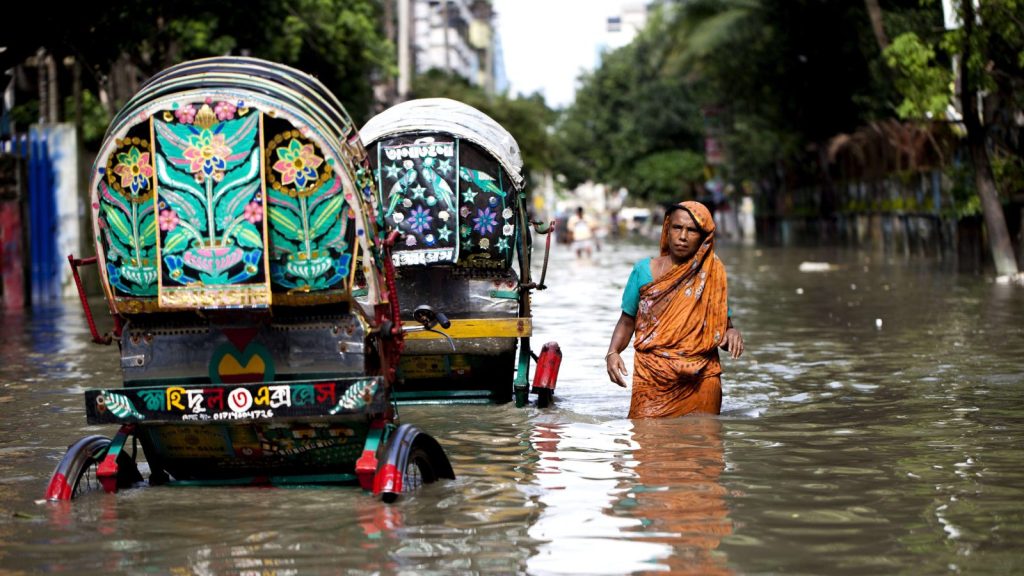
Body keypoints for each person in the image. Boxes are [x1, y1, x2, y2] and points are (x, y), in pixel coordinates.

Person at [605, 200, 744, 418]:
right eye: (677, 228)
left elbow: (722, 326)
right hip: (652, 376)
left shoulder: (712, 273)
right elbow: (627, 320)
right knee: (648, 444)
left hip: (701, 377)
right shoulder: (643, 270)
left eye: (692, 230)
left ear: (704, 237)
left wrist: (732, 333)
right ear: (667, 229)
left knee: (704, 446)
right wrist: (613, 353)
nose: (682, 236)